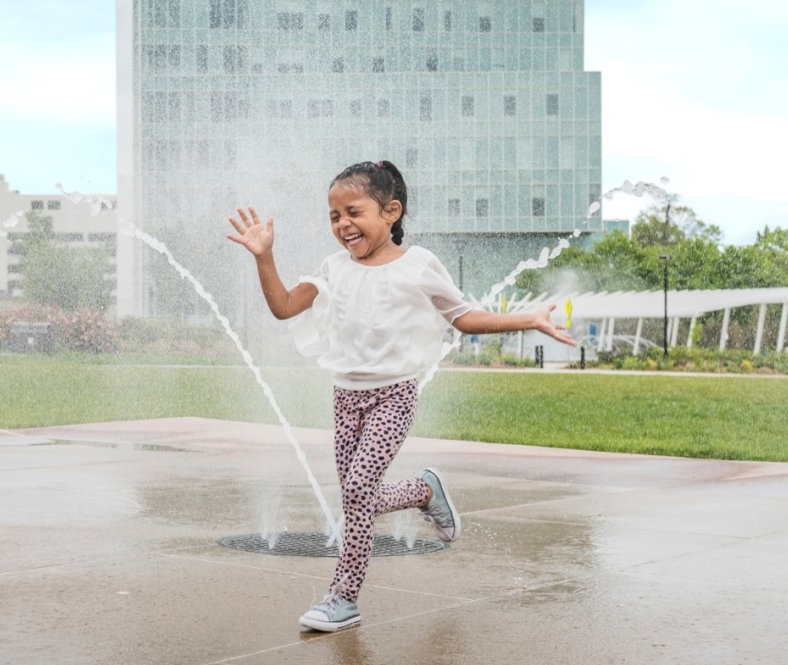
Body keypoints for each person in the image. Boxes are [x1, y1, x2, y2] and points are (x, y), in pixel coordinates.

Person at [226, 160, 576, 633]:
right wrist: (264, 257)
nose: (343, 225)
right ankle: (424, 490)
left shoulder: (419, 265)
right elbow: (285, 307)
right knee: (357, 497)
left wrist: (528, 318)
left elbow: (465, 318)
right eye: (334, 217)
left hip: (393, 396)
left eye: (354, 212)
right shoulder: (331, 268)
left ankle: (343, 598)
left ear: (390, 211)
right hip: (345, 397)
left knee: (356, 490)